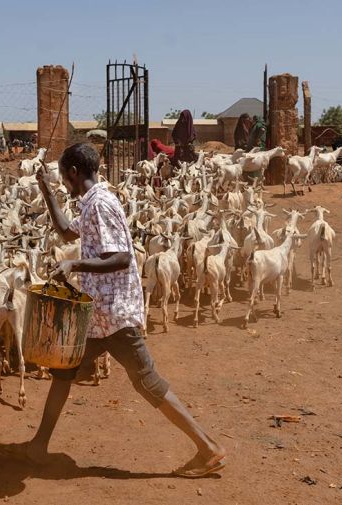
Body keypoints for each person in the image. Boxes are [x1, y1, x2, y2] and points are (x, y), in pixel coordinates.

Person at [27, 142, 226, 478]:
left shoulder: (101, 204)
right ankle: (38, 445)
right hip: (97, 316)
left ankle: (208, 448)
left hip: (114, 316)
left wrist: (75, 264)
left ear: (74, 172)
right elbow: (64, 232)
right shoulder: (92, 203)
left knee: (147, 382)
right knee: (63, 371)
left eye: (62, 177)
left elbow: (120, 257)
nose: (63, 183)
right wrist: (47, 191)